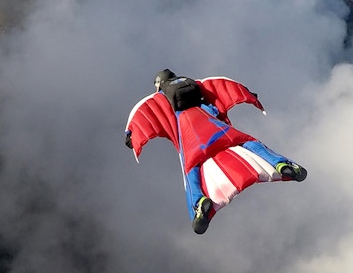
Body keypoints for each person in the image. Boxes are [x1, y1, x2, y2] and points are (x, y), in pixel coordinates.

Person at [125, 69, 307, 234]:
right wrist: (250, 95)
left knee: (191, 170)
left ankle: (199, 204)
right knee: (249, 142)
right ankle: (281, 163)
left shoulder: (156, 101)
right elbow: (227, 86)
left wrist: (130, 137)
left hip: (191, 138)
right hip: (216, 127)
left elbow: (140, 119)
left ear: (159, 86)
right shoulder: (202, 85)